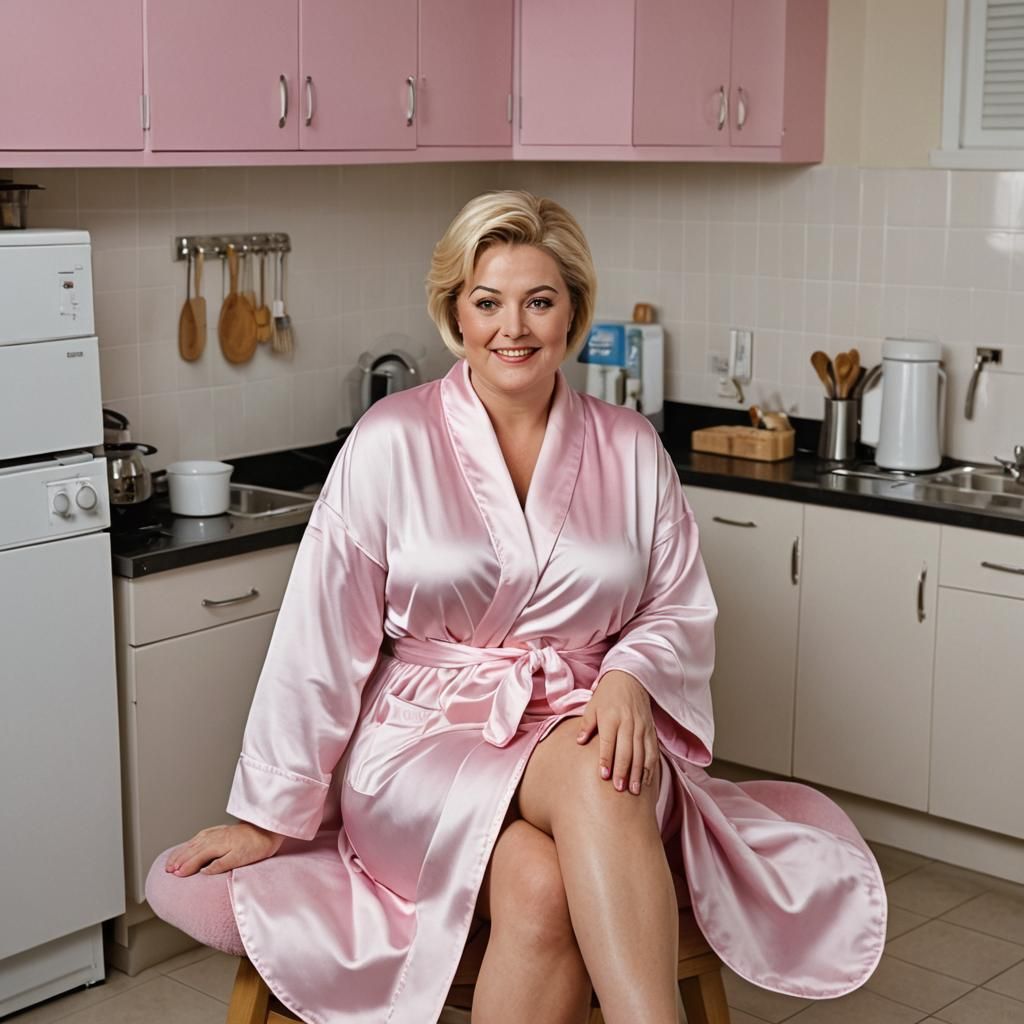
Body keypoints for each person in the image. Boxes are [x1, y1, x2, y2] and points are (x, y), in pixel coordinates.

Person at [151, 191, 886, 1024]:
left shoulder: (630, 445)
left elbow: (677, 603)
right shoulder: (391, 439)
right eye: (487, 301)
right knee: (598, 775)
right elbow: (319, 637)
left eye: (539, 301)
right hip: (424, 745)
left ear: (573, 311)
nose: (514, 328)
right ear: (454, 312)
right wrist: (267, 816)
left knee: (549, 870)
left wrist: (631, 677)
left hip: (585, 716)